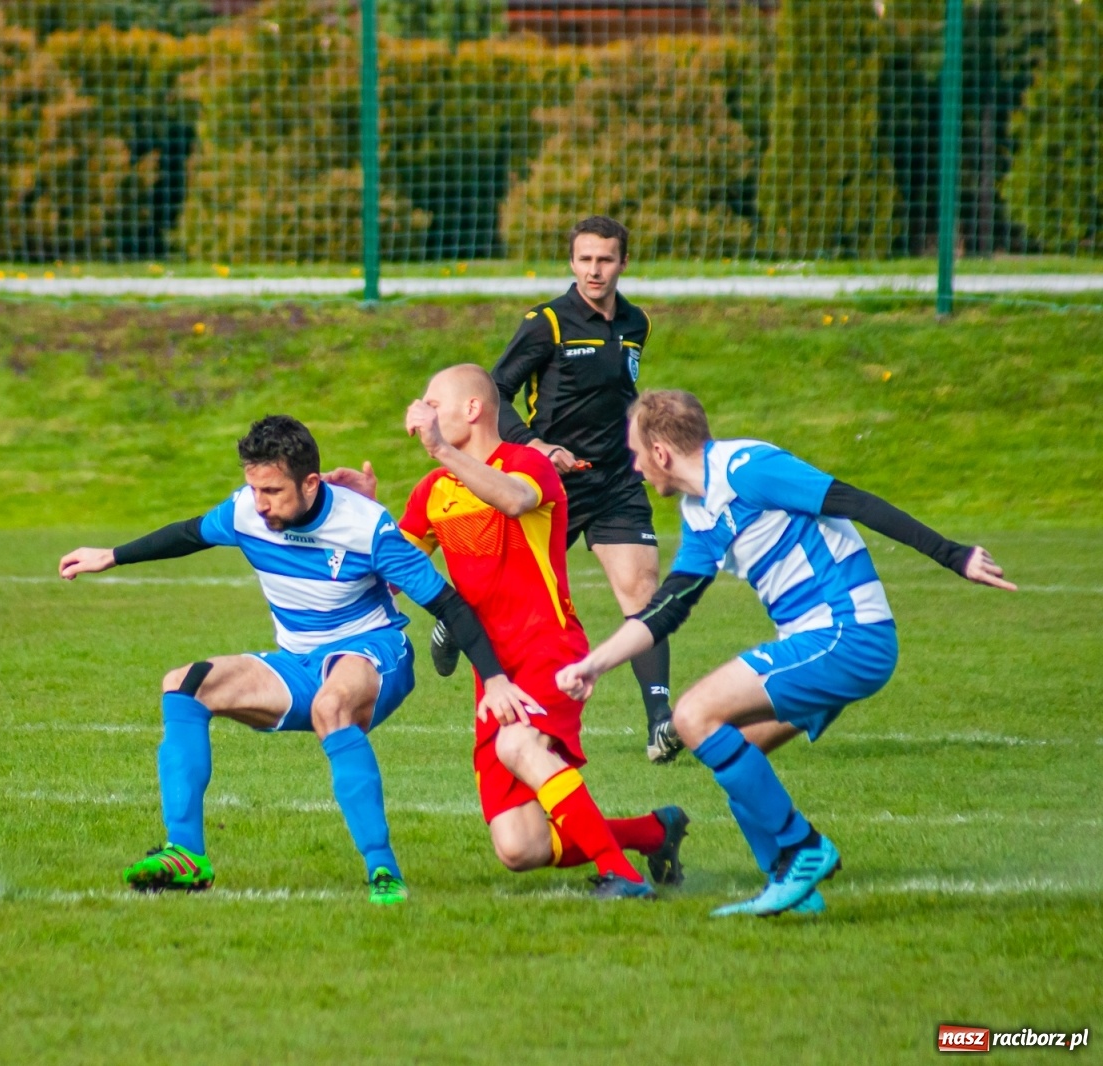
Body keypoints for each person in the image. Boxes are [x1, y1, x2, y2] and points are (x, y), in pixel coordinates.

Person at [556, 390, 1017, 916]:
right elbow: (668, 609)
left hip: (847, 634)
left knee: (693, 715)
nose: (634, 467)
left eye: (636, 453)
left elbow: (854, 500)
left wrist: (953, 554)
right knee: (734, 751)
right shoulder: (700, 512)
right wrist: (595, 664)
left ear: (661, 452)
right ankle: (793, 889)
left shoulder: (748, 468)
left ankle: (803, 849)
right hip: (817, 642)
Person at [59, 415, 537, 906]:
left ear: (310, 483)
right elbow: (189, 533)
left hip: (374, 650)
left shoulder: (366, 527)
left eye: (273, 490)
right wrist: (111, 556)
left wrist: (495, 679)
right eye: (254, 488)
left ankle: (383, 870)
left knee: (332, 706)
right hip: (299, 660)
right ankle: (186, 855)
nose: (260, 503)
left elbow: (448, 604)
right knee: (184, 683)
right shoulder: (247, 510)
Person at [325, 365, 689, 900]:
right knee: (519, 847)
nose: (418, 415)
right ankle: (654, 832)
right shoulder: (432, 493)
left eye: (431, 403)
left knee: (519, 743)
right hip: (492, 671)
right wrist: (362, 512)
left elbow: (515, 500)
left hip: (549, 649)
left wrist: (441, 451)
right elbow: (389, 580)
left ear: (472, 409)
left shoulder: (529, 465)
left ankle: (623, 876)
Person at [457, 215, 682, 764]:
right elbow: (495, 394)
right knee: (511, 590)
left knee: (641, 592)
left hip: (616, 481)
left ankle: (661, 722)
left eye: (605, 259)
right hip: (551, 485)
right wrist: (535, 445)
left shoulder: (636, 322)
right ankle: (455, 625)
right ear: (572, 262)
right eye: (584, 259)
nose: (594, 270)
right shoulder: (547, 323)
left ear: (623, 263)